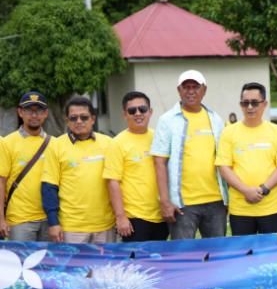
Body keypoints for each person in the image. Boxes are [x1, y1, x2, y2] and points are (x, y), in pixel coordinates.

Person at [151, 70, 227, 240]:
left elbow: (224, 160)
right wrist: (165, 201)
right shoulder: (167, 120)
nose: (191, 91)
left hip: (216, 202)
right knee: (184, 256)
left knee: (216, 255)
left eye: (195, 87)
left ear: (204, 90)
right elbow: (159, 162)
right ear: (179, 90)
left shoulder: (216, 120)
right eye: (186, 87)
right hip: (182, 205)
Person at [216, 82, 277, 235]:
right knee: (244, 256)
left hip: (270, 207)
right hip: (241, 209)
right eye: (245, 103)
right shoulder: (228, 132)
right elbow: (224, 167)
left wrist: (263, 189)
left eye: (254, 103)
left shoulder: (276, 131)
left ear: (265, 104)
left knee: (271, 257)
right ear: (240, 105)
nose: (249, 107)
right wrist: (246, 191)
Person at [41, 96, 115, 243]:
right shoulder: (56, 145)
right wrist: (53, 222)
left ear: (93, 119)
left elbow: (117, 182)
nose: (79, 121)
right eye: (73, 118)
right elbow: (49, 187)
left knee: (105, 267)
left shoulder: (109, 143)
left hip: (105, 226)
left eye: (84, 117)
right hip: (71, 228)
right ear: (67, 121)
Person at [102, 91, 168, 242]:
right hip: (134, 219)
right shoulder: (117, 143)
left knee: (159, 263)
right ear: (125, 115)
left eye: (142, 109)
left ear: (150, 112)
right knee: (137, 265)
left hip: (161, 216)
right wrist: (121, 217)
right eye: (132, 111)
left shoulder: (159, 137)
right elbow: (113, 182)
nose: (138, 113)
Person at [0, 92, 52, 241]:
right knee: (22, 264)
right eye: (29, 110)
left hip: (50, 220)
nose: (34, 115)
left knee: (49, 264)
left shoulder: (55, 143)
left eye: (39, 111)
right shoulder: (7, 142)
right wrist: (1, 219)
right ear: (20, 112)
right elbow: (1, 182)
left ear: (46, 113)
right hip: (20, 221)